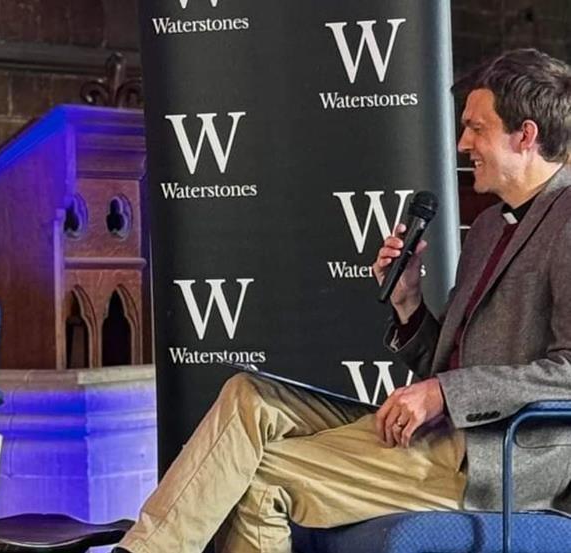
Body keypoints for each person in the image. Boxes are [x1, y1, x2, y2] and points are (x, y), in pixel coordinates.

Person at [115, 48, 571, 553]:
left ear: (525, 136)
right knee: (249, 396)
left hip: (498, 458)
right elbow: (447, 362)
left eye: (476, 128)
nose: (462, 143)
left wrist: (445, 392)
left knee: (262, 479)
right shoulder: (487, 227)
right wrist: (408, 302)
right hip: (442, 430)